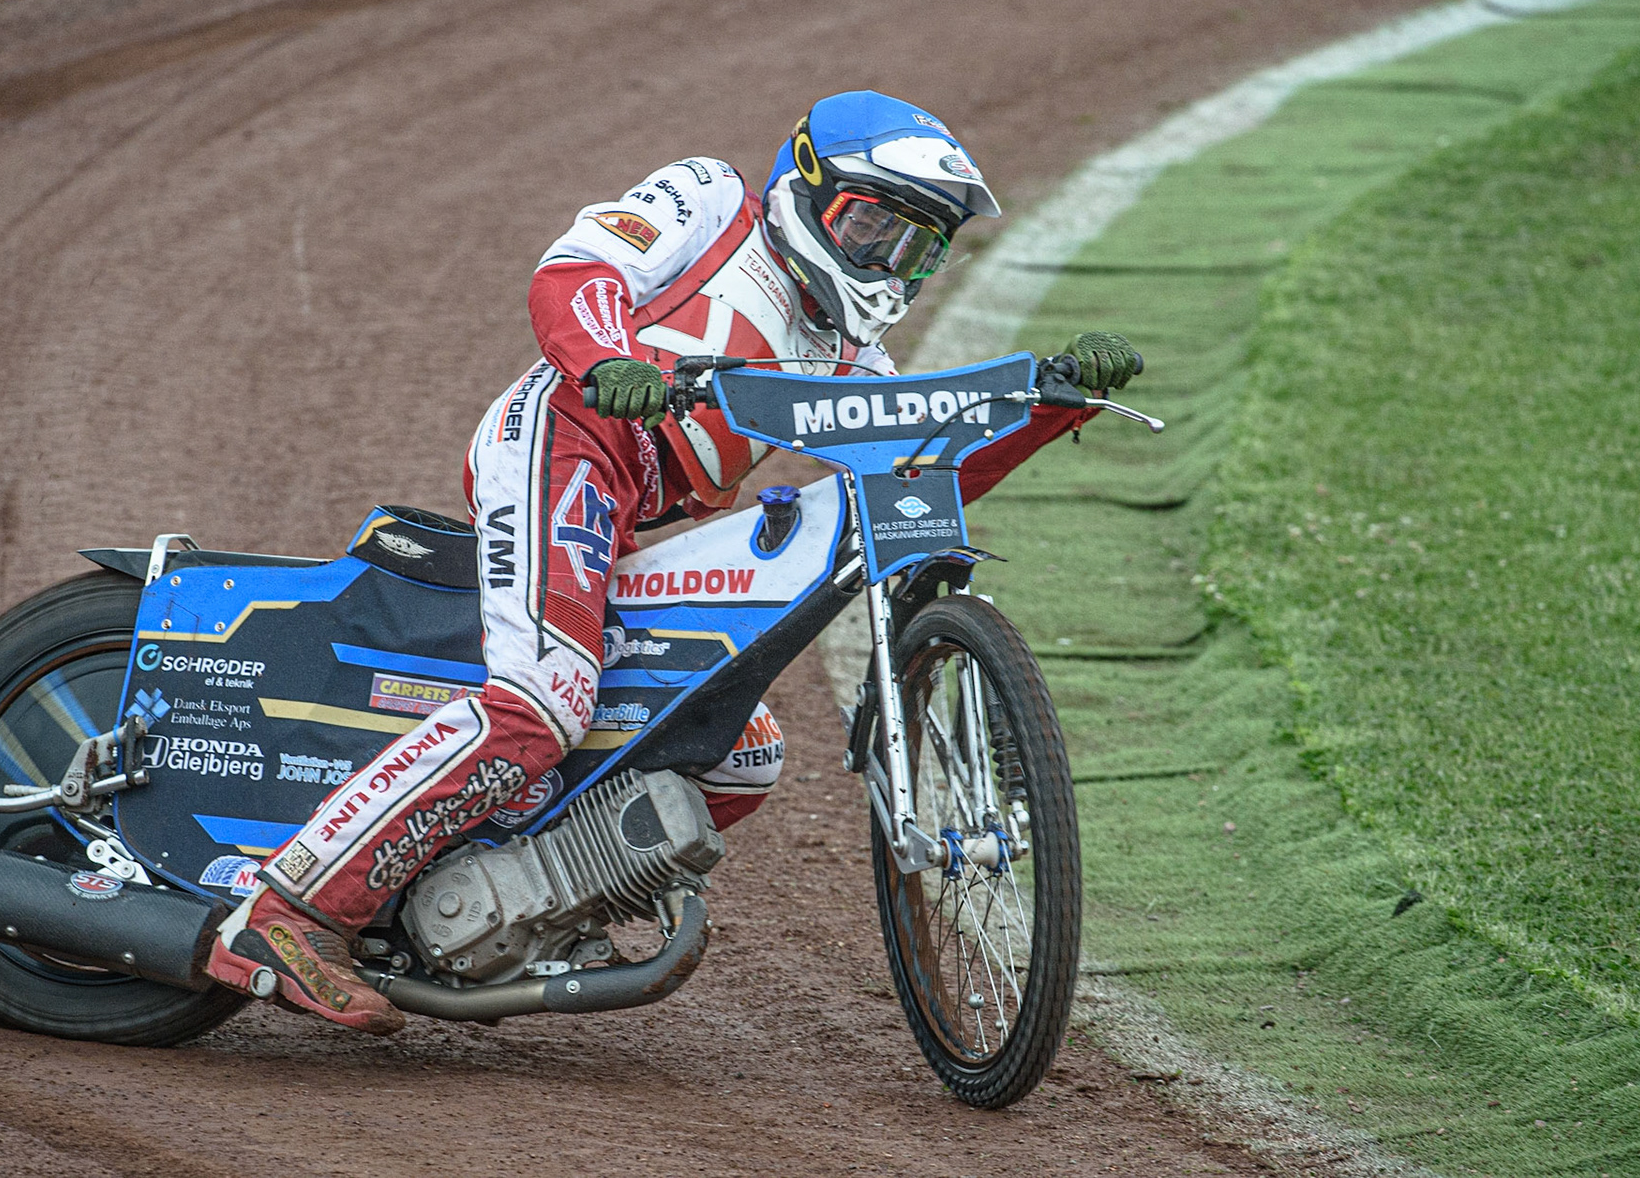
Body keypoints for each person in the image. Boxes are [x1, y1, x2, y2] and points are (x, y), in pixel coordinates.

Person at [204, 91, 1140, 1032]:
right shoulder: (712, 198)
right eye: (870, 227)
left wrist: (1052, 406)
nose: (887, 263)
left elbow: (916, 476)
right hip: (567, 442)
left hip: (627, 514)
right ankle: (288, 913)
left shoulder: (856, 356)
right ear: (805, 189)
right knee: (546, 699)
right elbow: (574, 271)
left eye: (914, 247)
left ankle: (516, 897)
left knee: (742, 755)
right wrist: (608, 358)